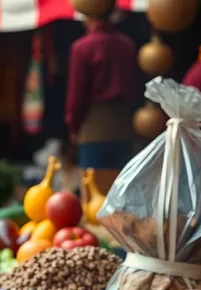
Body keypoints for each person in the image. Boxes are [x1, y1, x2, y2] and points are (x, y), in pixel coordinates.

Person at [65, 5, 138, 194]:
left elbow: (77, 96)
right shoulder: (126, 44)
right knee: (122, 193)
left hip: (93, 128)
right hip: (124, 127)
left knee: (94, 197)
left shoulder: (82, 47)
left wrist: (73, 126)